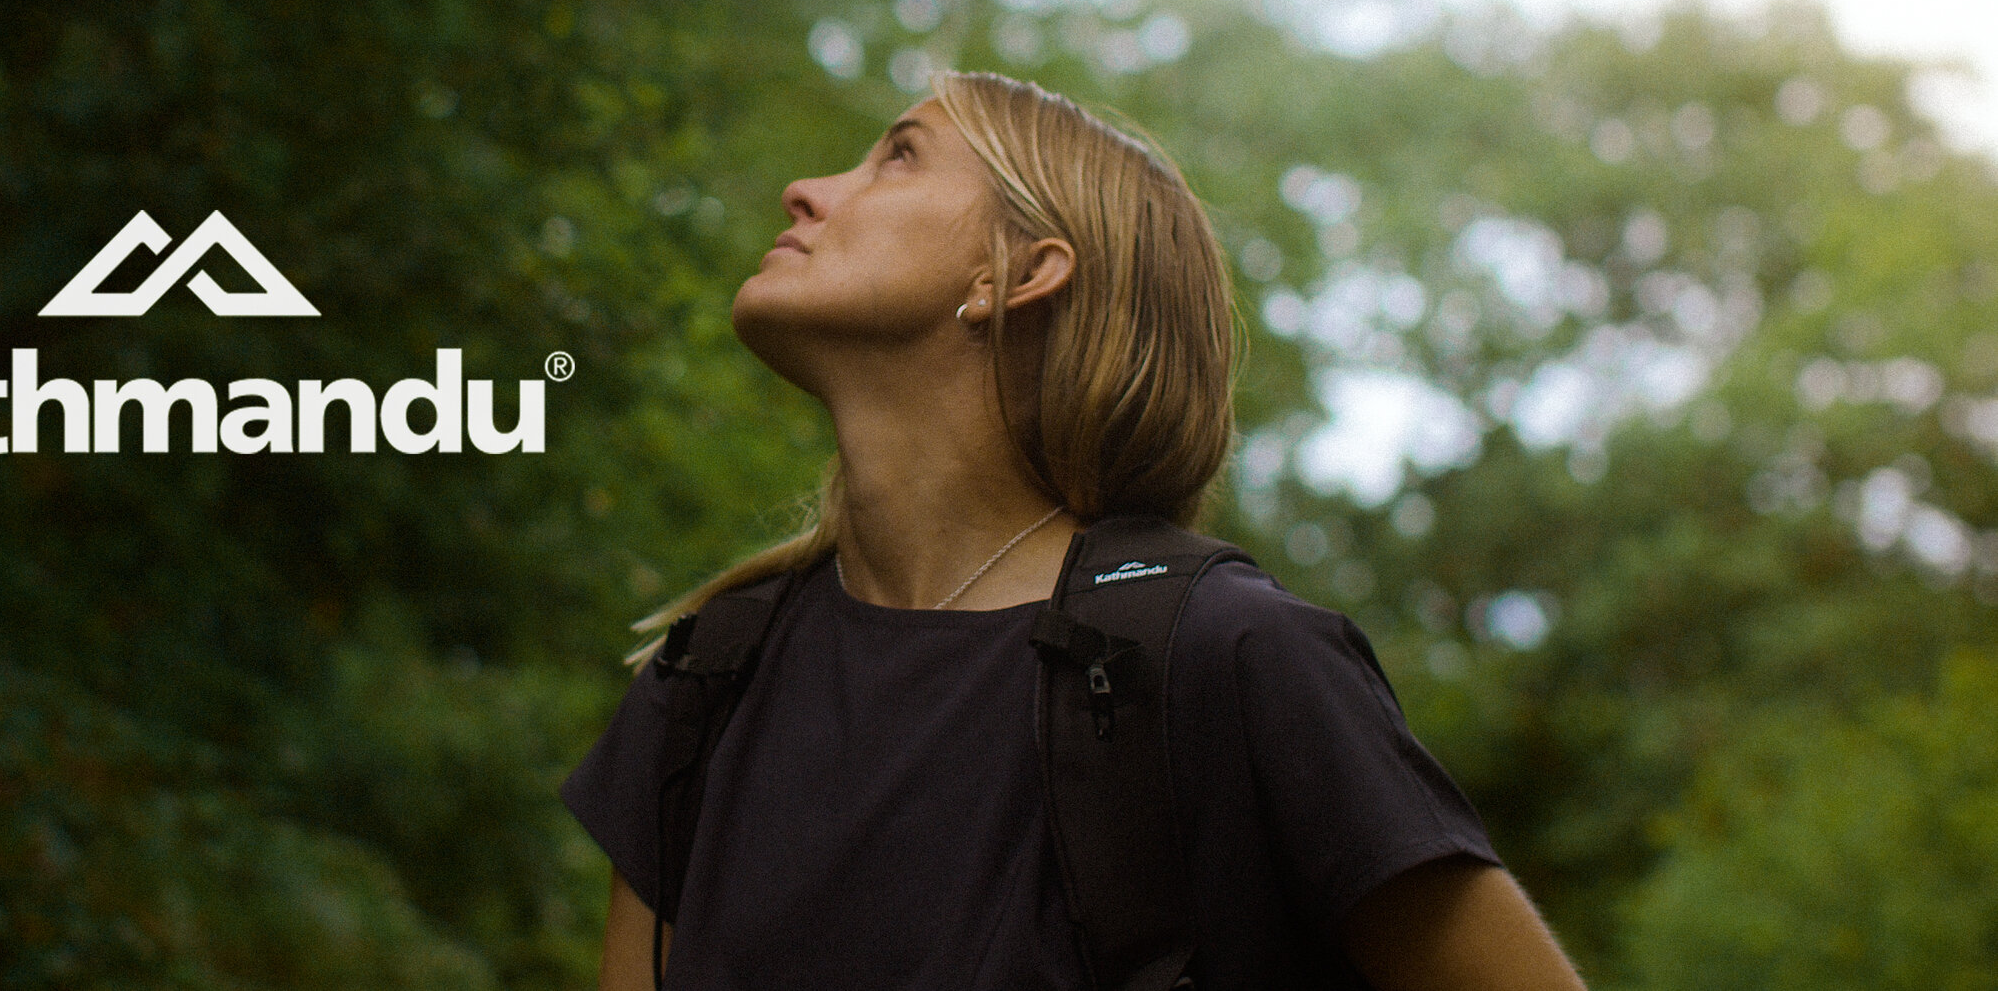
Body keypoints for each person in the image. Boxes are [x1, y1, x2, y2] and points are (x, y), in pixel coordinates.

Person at [560, 71, 1587, 990]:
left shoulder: (1228, 659)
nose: (807, 190)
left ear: (1016, 273)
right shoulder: (704, 683)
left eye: (899, 156)